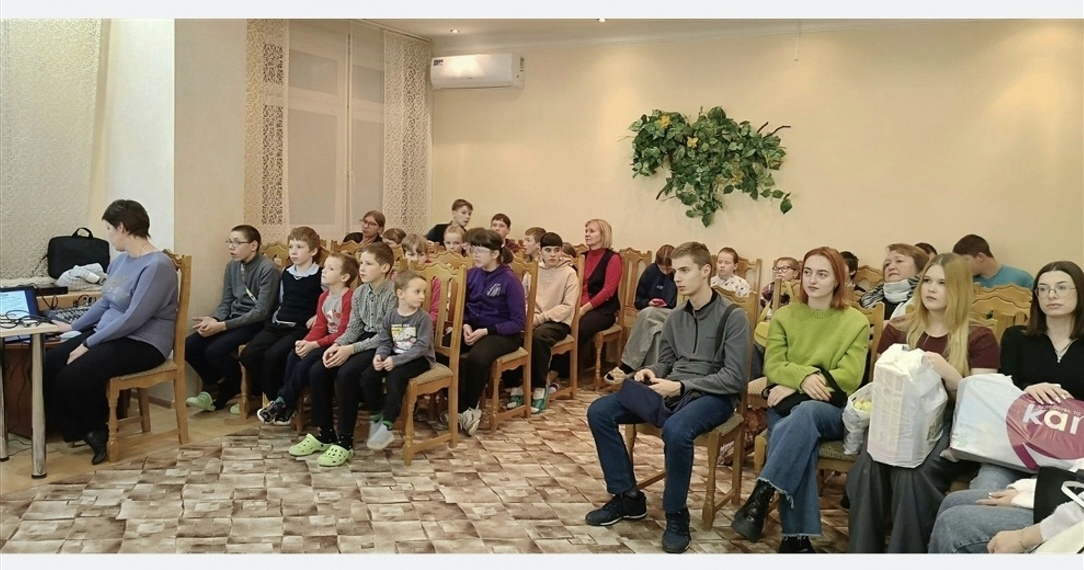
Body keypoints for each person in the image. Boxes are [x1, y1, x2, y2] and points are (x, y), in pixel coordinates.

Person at [585, 241, 751, 554]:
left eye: (685, 270)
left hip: (714, 396)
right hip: (671, 389)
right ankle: (628, 497)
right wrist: (650, 370)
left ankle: (676, 515)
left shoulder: (733, 317)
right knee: (600, 411)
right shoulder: (675, 316)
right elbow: (666, 361)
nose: (677, 278)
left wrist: (682, 386)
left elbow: (734, 378)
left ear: (706, 270)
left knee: (676, 430)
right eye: (675, 271)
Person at [846, 253, 1000, 553]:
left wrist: (950, 375)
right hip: (897, 418)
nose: (931, 288)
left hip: (953, 422)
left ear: (959, 289)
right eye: (927, 280)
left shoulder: (979, 337)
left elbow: (982, 405)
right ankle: (861, 552)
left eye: (942, 283)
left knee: (912, 472)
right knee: (870, 462)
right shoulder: (899, 328)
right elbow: (882, 385)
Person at [928, 261, 1084, 554]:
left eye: (1062, 287)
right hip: (1014, 444)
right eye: (1043, 289)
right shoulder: (1017, 337)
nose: (1051, 295)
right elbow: (1000, 392)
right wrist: (1026, 390)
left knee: (982, 511)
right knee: (984, 492)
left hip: (1070, 453)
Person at [731, 247, 869, 553]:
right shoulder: (785, 316)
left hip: (830, 410)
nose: (812, 280)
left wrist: (796, 382)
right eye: (807, 272)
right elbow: (773, 365)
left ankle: (762, 494)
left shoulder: (855, 321)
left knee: (805, 414)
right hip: (787, 410)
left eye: (822, 274)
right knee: (799, 438)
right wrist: (805, 379)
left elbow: (849, 377)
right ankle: (795, 540)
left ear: (837, 280)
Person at [45, 199, 178, 465]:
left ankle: (96, 430)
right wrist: (73, 327)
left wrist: (89, 343)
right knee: (48, 364)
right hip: (112, 335)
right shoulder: (120, 262)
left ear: (122, 227)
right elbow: (105, 302)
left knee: (73, 376)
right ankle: (82, 428)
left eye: (108, 229)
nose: (108, 235)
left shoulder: (157, 266)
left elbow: (134, 319)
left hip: (144, 342)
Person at [288, 242, 396, 467]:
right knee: (319, 369)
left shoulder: (393, 295)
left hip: (384, 345)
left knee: (347, 373)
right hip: (362, 339)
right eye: (361, 263)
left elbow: (386, 335)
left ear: (385, 268)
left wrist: (350, 349)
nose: (362, 268)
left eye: (369, 264)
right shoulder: (360, 293)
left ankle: (345, 440)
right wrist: (337, 345)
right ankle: (326, 433)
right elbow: (354, 329)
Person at [186, 224, 280, 413]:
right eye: (229, 242)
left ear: (253, 245)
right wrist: (214, 319)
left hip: (256, 323)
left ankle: (226, 391)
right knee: (189, 345)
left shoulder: (267, 269)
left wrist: (223, 326)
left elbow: (261, 311)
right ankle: (222, 384)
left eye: (237, 242)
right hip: (232, 320)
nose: (231, 247)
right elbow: (227, 301)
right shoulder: (232, 266)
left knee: (214, 351)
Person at [441, 229, 526, 436]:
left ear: (495, 254)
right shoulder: (472, 274)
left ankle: (470, 406)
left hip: (502, 334)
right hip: (473, 329)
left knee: (477, 359)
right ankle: (461, 409)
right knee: (439, 349)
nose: (475, 255)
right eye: (474, 250)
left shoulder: (509, 280)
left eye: (480, 251)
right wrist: (465, 325)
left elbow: (518, 322)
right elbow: (463, 307)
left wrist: (486, 331)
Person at [256, 252, 357, 426]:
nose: (324, 271)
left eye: (331, 268)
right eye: (325, 267)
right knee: (294, 355)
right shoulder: (324, 297)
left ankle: (281, 402)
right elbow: (320, 326)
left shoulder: (350, 298)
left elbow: (343, 333)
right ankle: (288, 405)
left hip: (339, 344)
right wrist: (306, 342)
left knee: (304, 364)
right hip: (324, 340)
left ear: (344, 277)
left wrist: (314, 345)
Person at [233, 227, 323, 415]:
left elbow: (329, 300)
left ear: (313, 251)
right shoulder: (286, 273)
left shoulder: (319, 275)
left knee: (273, 356)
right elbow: (281, 300)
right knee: (248, 355)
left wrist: (318, 316)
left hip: (299, 328)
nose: (294, 252)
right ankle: (276, 398)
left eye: (300, 247)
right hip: (278, 324)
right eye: (291, 247)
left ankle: (281, 403)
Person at [358, 270, 436, 451]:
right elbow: (385, 342)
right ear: (400, 293)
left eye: (423, 292)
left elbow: (421, 347)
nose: (422, 296)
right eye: (417, 292)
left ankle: (387, 424)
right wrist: (380, 356)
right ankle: (376, 416)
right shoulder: (391, 316)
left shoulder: (423, 318)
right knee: (368, 375)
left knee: (395, 378)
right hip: (395, 355)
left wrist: (396, 361)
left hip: (419, 359)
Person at [507, 232, 578, 414]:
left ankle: (539, 387)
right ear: (540, 251)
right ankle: (518, 385)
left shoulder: (569, 273)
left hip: (557, 321)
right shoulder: (532, 271)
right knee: (511, 334)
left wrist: (540, 318)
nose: (553, 254)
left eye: (556, 250)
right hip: (532, 317)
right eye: (548, 250)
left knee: (539, 337)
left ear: (561, 251)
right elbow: (522, 298)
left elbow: (567, 306)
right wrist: (527, 316)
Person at [603, 244, 677, 384]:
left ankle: (628, 365)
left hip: (674, 315)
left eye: (669, 269)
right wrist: (648, 303)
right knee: (655, 330)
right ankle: (650, 375)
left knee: (647, 314)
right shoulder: (651, 271)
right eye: (662, 268)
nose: (666, 272)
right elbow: (638, 301)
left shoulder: (680, 274)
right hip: (654, 317)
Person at [859, 243, 930, 319]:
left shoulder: (927, 300)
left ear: (920, 270)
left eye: (899, 261)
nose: (891, 267)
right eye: (887, 264)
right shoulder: (869, 298)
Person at [952, 234, 1034, 288]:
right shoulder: (966, 283)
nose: (961, 266)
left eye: (965, 260)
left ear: (980, 257)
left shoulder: (1021, 279)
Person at [400, 233, 441, 330]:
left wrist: (417, 325)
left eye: (421, 255)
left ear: (427, 255)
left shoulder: (435, 279)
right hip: (399, 327)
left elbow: (436, 312)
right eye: (411, 254)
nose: (416, 259)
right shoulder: (397, 276)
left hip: (424, 328)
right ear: (404, 255)